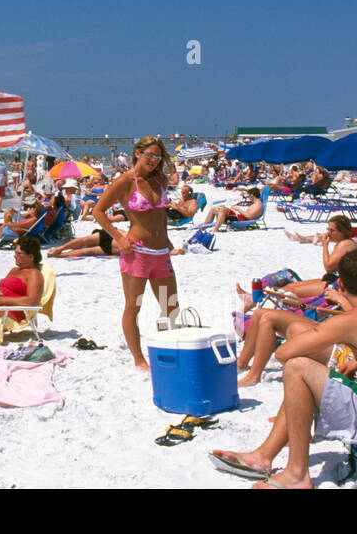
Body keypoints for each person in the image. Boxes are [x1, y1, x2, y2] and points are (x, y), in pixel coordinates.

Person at [210, 251, 357, 489]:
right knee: (311, 374)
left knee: (298, 368)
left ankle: (297, 475)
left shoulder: (354, 319)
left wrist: (335, 336)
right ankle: (263, 456)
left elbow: (284, 353)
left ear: (341, 284)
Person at [233, 251, 357, 387]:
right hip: (339, 332)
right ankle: (242, 363)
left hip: (349, 350)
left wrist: (341, 300)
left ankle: (253, 376)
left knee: (269, 319)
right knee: (260, 313)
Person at [93, 135, 178, 371]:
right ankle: (139, 359)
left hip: (161, 252)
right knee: (134, 306)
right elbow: (98, 211)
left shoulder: (160, 180)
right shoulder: (125, 181)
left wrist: (167, 236)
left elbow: (161, 215)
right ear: (138, 153)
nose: (153, 160)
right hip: (136, 252)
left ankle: (166, 347)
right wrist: (119, 237)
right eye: (149, 155)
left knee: (170, 305)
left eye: (158, 157)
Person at [195, 187, 264, 233]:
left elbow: (249, 216)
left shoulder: (258, 205)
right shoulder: (255, 203)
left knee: (223, 208)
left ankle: (215, 229)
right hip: (240, 218)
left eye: (248, 196)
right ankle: (203, 227)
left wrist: (238, 209)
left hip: (242, 220)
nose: (248, 198)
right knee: (214, 209)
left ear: (252, 195)